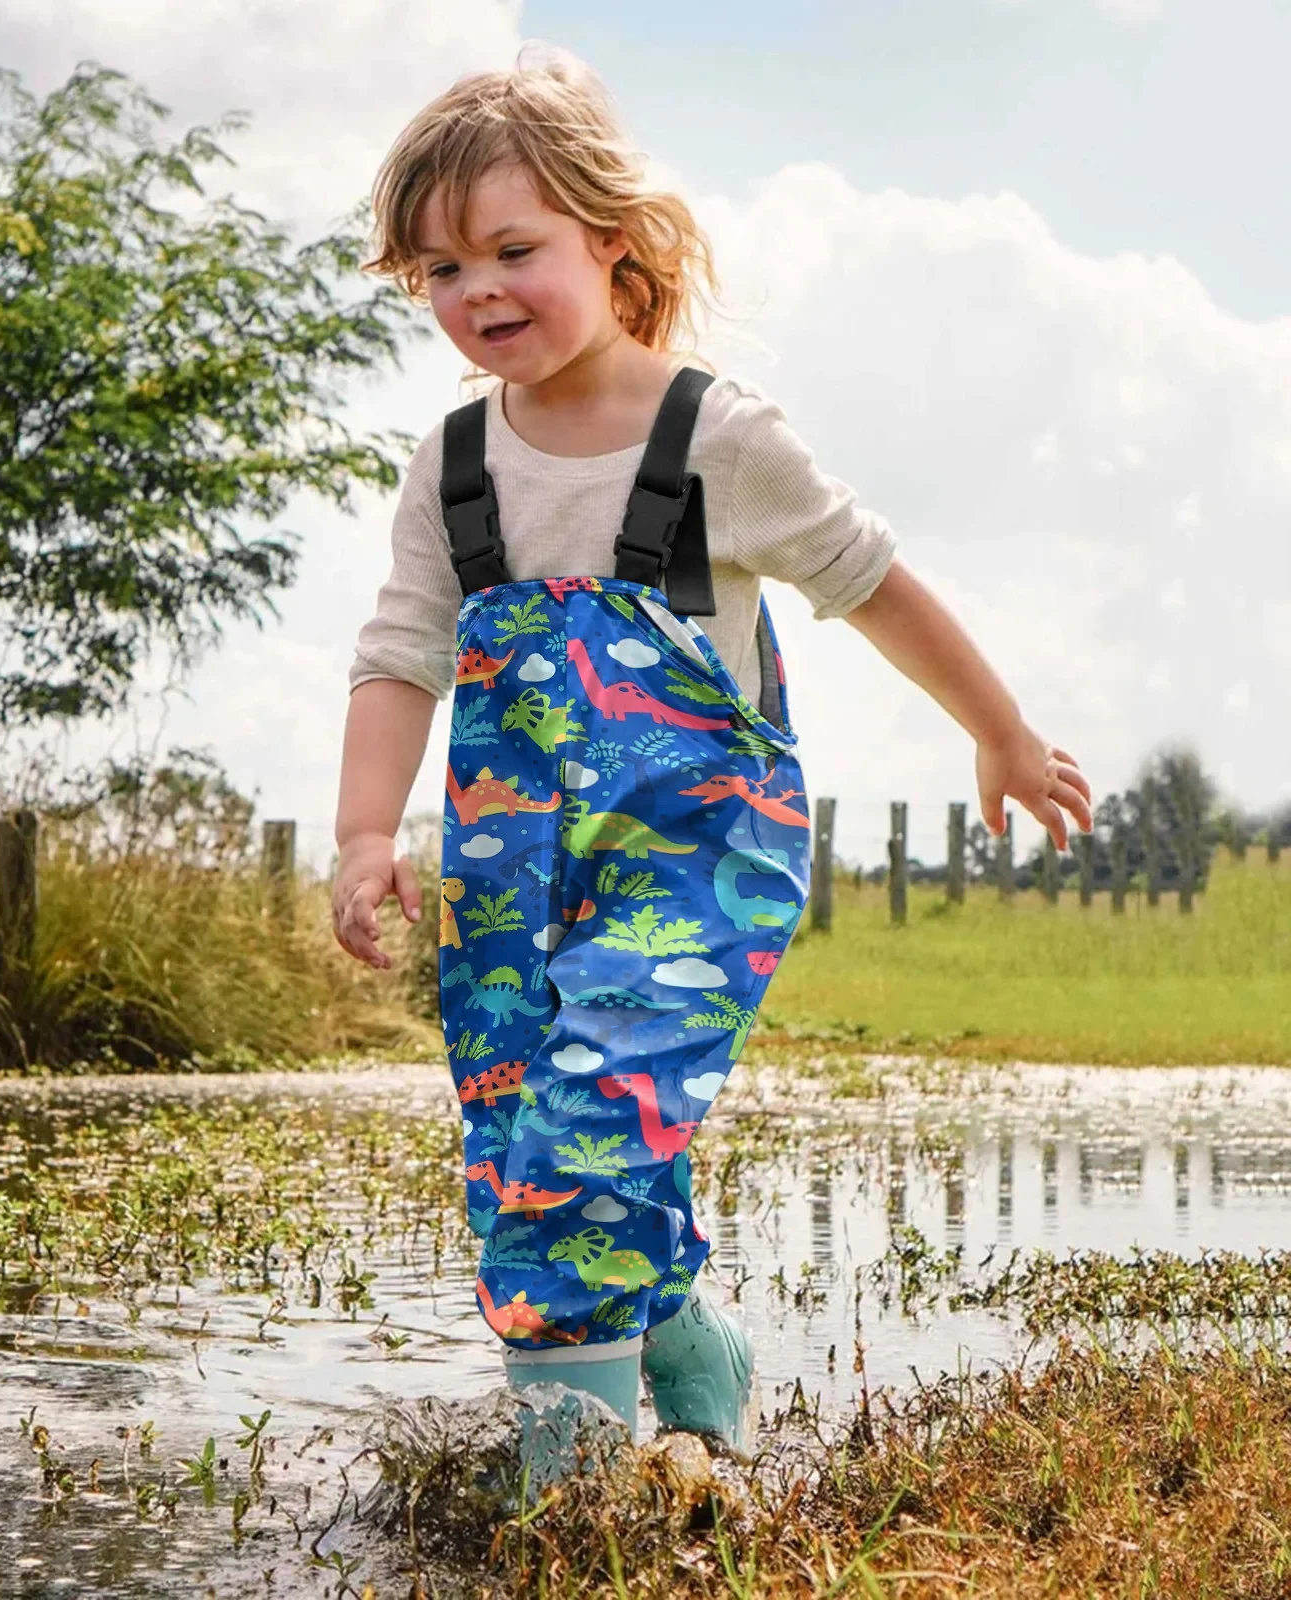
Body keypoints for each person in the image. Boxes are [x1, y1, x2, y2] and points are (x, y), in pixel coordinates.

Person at [330, 46, 1093, 1468]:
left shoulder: (717, 439)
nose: (478, 291)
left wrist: (998, 728)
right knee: (521, 1151)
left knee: (585, 1136)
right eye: (439, 271)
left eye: (512, 250)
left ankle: (568, 1493)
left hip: (700, 861)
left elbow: (874, 582)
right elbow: (397, 659)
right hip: (511, 883)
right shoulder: (450, 473)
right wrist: (367, 833)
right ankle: (691, 1341)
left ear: (611, 241)